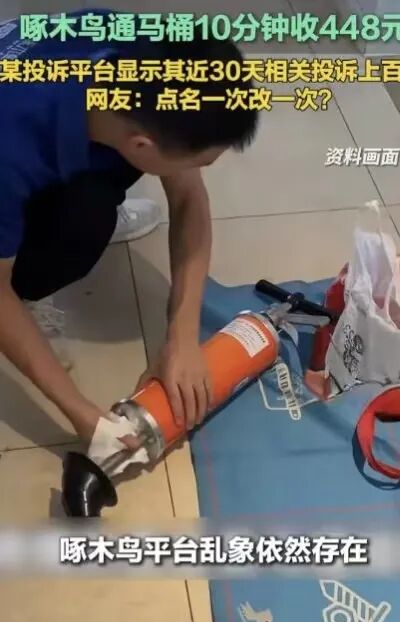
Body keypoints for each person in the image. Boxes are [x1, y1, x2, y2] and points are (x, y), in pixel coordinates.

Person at [0, 11, 259, 449]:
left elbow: (187, 198)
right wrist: (83, 415)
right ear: (142, 145)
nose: (201, 172)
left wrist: (182, 339)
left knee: (92, 203)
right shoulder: (12, 144)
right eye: (201, 161)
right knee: (77, 230)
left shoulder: (144, 49)